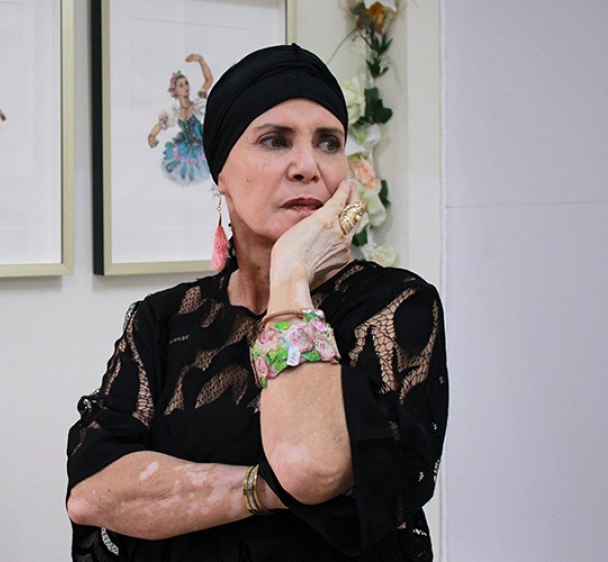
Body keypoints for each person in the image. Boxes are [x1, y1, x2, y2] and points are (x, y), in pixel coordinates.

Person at [67, 44, 448, 561]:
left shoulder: (393, 308)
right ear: (220, 173)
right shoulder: (162, 321)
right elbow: (93, 494)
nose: (307, 166)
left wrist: (291, 273)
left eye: (329, 143)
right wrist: (263, 490)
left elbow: (309, 468)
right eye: (275, 140)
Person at [147, 53, 213, 184]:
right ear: (175, 90)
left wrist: (201, 60)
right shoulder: (174, 112)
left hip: (203, 146)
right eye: (181, 85)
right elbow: (160, 125)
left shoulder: (197, 104)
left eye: (186, 83)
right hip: (187, 148)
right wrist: (151, 137)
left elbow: (208, 80)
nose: (186, 87)